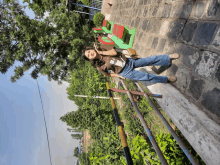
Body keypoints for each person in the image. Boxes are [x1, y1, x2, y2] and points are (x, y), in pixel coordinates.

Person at [81, 44, 179, 83]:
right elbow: (108, 74)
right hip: (125, 72)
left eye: (89, 51)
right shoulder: (99, 67)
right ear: (89, 59)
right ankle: (166, 79)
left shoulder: (102, 48)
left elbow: (114, 53)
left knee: (149, 60)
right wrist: (119, 76)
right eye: (88, 55)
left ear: (91, 49)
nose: (90, 54)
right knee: (147, 77)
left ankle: (168, 57)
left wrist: (100, 52)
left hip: (128, 61)